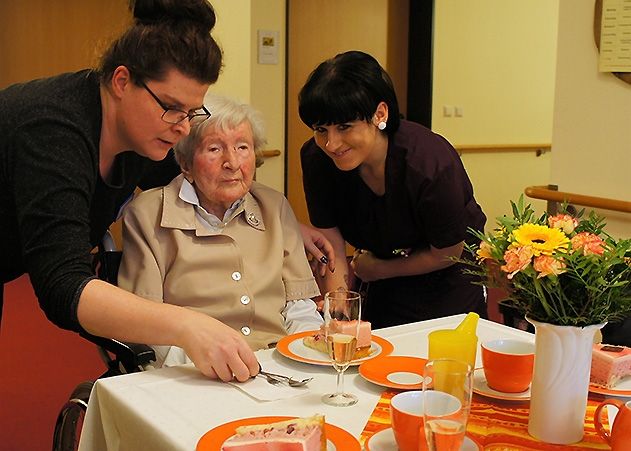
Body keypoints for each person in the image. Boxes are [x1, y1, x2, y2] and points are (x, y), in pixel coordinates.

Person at [0, 0, 332, 382]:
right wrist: (187, 325)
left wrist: (285, 221)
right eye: (173, 108)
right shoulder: (54, 133)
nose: (183, 128)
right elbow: (63, 287)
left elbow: (204, 175)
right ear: (122, 81)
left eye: (192, 112)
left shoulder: (148, 129)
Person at [117, 94, 323, 367]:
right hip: (192, 370)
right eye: (214, 149)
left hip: (276, 365)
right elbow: (146, 322)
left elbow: (299, 308)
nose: (233, 163)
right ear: (186, 163)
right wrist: (202, 367)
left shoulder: (274, 206)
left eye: (242, 147)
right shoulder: (147, 215)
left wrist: (305, 358)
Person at [298, 50, 488, 329]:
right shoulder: (318, 159)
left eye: (344, 127)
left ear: (380, 114)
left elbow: (448, 252)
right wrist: (338, 303)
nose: (332, 144)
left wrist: (381, 269)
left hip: (447, 280)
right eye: (321, 129)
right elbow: (331, 243)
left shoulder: (429, 162)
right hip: (378, 278)